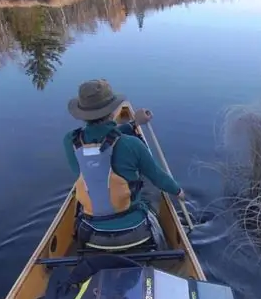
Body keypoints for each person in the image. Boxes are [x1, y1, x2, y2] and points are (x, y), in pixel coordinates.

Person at [63, 79, 185, 251]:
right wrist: (179, 192)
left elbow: (101, 144)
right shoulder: (132, 144)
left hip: (92, 236)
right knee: (149, 193)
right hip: (137, 234)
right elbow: (158, 177)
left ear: (83, 114)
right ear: (113, 111)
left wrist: (133, 124)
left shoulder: (71, 142)